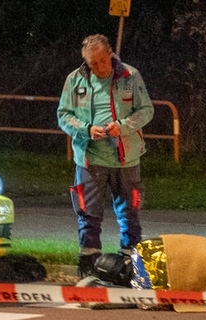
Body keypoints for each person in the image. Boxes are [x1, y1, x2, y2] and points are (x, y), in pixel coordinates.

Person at [57, 34, 154, 280]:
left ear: (110, 54)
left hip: (126, 159)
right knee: (88, 214)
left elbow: (146, 110)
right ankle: (89, 265)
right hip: (90, 159)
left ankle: (131, 266)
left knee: (130, 214)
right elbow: (63, 115)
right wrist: (86, 129)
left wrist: (123, 126)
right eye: (93, 64)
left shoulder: (130, 76)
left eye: (102, 61)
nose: (99, 67)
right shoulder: (75, 80)